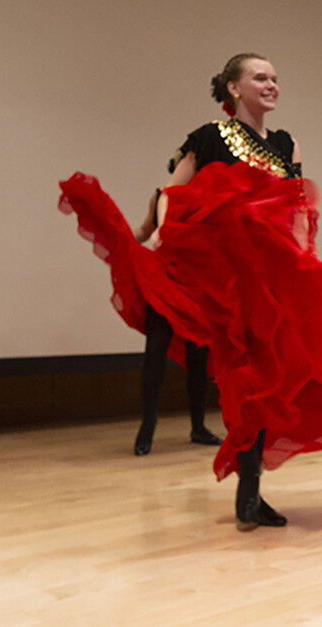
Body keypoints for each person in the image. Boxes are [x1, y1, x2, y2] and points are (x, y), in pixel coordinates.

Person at [61, 53, 322, 531]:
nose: (272, 84)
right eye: (260, 77)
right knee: (250, 377)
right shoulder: (208, 137)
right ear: (234, 89)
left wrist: (306, 257)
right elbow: (171, 193)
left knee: (277, 377)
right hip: (231, 279)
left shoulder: (287, 144)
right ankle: (246, 492)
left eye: (276, 78)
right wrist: (155, 240)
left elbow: (298, 208)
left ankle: (250, 491)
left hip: (280, 275)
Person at [130, 184, 221, 456]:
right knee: (155, 350)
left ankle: (198, 427)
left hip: (195, 286)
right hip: (164, 283)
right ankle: (147, 425)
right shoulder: (161, 196)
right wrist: (122, 237)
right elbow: (146, 231)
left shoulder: (210, 197)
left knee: (198, 355)